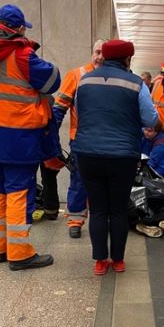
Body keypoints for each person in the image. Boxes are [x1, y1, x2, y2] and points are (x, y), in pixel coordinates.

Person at [0, 4, 61, 271]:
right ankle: (19, 253)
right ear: (18, 28)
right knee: (20, 190)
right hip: (19, 133)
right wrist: (30, 50)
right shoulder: (21, 54)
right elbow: (53, 80)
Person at [72, 39, 158, 275]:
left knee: (98, 209)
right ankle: (118, 261)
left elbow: (80, 111)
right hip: (123, 155)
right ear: (127, 59)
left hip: (88, 153)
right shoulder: (136, 83)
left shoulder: (85, 80)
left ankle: (100, 261)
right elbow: (150, 119)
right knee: (118, 209)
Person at [52, 39, 105, 238]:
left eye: (104, 53)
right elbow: (59, 108)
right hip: (80, 141)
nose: (100, 57)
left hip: (106, 142)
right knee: (79, 181)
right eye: (97, 52)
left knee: (103, 183)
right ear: (92, 53)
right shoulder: (76, 75)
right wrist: (51, 138)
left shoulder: (114, 78)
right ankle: (75, 220)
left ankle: (102, 220)